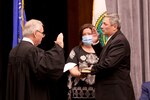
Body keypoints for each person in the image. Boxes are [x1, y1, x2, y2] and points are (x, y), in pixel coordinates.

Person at [6, 19, 65, 100]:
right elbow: (49, 68)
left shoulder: (13, 51)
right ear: (35, 33)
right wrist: (58, 47)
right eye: (42, 33)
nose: (43, 37)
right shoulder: (32, 51)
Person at [87, 13, 135, 100]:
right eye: (102, 24)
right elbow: (105, 56)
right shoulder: (114, 39)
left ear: (114, 27)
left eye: (105, 24)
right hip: (111, 91)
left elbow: (108, 64)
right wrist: (96, 42)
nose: (101, 27)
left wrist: (91, 69)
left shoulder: (119, 41)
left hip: (116, 92)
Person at [64, 23, 99, 100]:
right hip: (79, 93)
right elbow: (72, 70)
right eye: (84, 34)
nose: (86, 36)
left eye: (89, 34)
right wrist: (81, 74)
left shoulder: (100, 50)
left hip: (98, 92)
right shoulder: (75, 51)